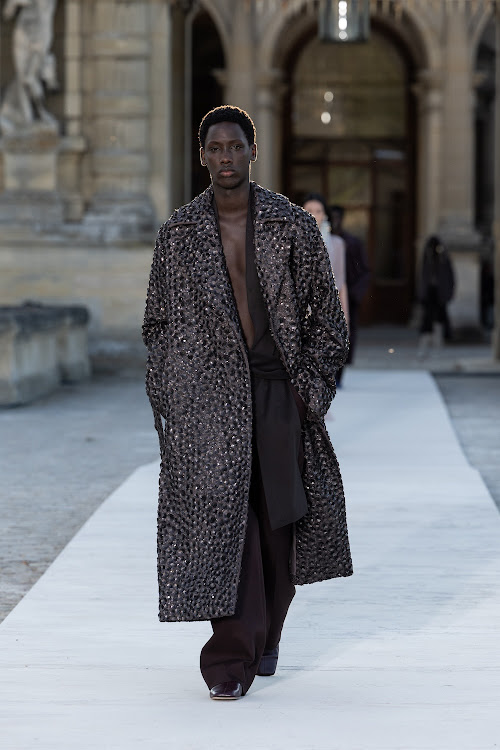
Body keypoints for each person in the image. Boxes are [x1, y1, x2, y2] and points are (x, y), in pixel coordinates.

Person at [142, 105, 352, 702]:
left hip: (279, 392)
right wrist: (172, 390)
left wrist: (311, 386)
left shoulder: (290, 226)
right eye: (216, 148)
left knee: (279, 521)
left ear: (252, 152)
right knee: (222, 524)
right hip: (209, 399)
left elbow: (326, 321)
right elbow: (157, 322)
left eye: (236, 146)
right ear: (202, 155)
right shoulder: (179, 233)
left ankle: (265, 638)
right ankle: (227, 659)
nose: (226, 157)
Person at [303, 193, 349, 385]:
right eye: (309, 211)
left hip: (326, 309)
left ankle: (320, 407)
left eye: (318, 211)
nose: (314, 215)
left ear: (325, 215)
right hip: (299, 308)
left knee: (323, 357)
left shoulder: (337, 245)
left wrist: (344, 316)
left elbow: (340, 282)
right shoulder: (288, 241)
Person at [330, 205, 370, 367]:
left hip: (347, 292)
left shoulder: (352, 243)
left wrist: (355, 294)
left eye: (337, 218)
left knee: (347, 329)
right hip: (326, 294)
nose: (335, 222)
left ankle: (344, 363)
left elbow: (364, 271)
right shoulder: (322, 240)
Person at [417, 234, 455, 356]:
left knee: (440, 319)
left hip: (440, 293)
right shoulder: (427, 259)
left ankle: (437, 345)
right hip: (429, 293)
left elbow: (450, 277)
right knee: (427, 320)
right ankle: (425, 346)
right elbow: (422, 277)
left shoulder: (443, 259)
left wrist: (449, 293)